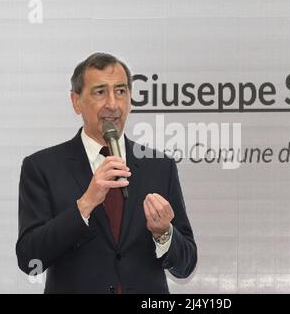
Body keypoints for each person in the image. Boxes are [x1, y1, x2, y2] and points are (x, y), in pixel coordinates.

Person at [16, 52, 197, 294]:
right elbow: (30, 260)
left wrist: (164, 234)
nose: (112, 104)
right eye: (100, 92)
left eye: (121, 91)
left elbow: (185, 266)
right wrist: (84, 205)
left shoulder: (160, 166)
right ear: (76, 101)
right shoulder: (42, 167)